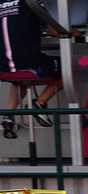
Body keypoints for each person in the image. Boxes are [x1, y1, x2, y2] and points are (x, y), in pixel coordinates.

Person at [0, 0, 67, 140]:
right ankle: (40, 103)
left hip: (4, 68)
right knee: (70, 65)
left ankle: (8, 115)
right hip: (31, 65)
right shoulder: (31, 3)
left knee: (19, 77)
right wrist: (73, 31)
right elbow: (57, 31)